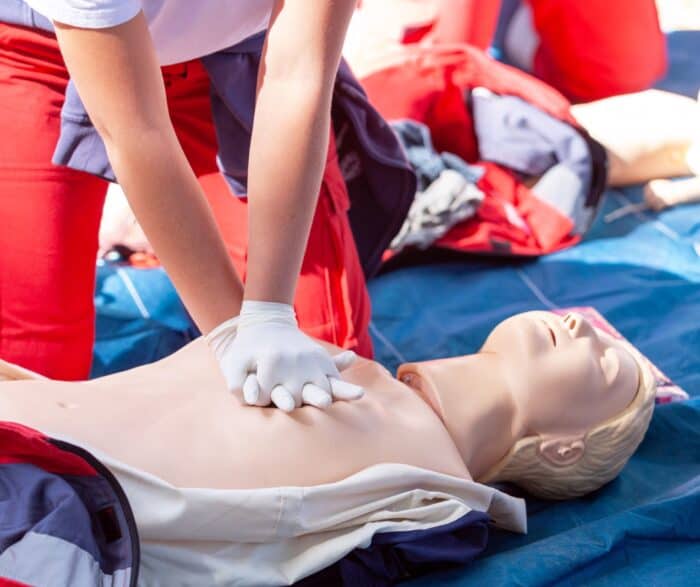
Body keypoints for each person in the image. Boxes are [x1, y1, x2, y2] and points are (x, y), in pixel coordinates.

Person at [0, 311, 656, 584]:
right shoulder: (326, 347)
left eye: (605, 365)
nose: (581, 325)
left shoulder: (436, 505)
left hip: (39, 517)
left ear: (566, 449)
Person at [0, 0, 391, 411]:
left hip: (246, 51)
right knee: (31, 367)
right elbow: (134, 130)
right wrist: (230, 333)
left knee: (323, 352)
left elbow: (295, 76)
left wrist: (269, 315)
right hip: (39, 52)